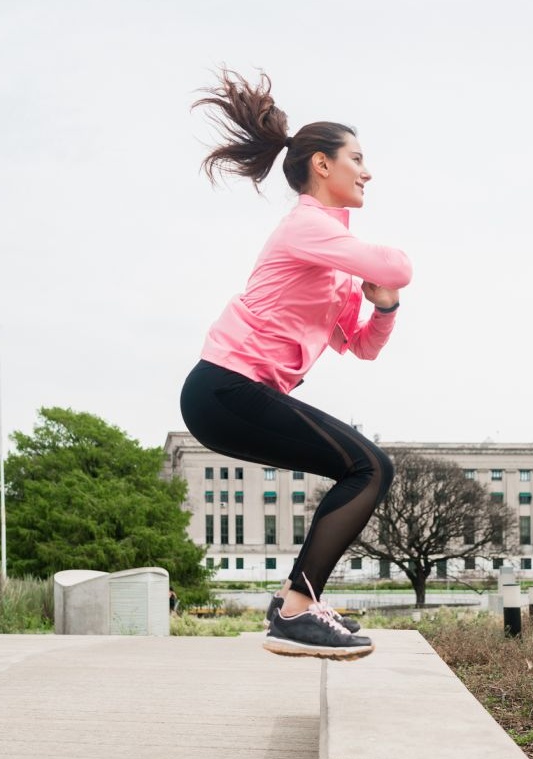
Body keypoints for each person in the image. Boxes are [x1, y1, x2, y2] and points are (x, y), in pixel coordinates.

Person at [180, 69, 412, 661]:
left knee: (364, 469)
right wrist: (388, 275)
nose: (368, 171)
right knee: (370, 467)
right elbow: (398, 264)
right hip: (226, 387)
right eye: (357, 158)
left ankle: (296, 605)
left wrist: (383, 308)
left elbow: (361, 345)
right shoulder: (307, 226)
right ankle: (295, 607)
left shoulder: (330, 262)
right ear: (321, 165)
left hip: (237, 393)